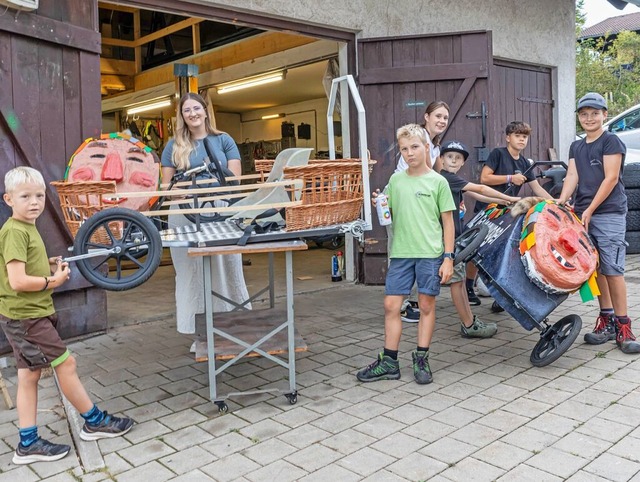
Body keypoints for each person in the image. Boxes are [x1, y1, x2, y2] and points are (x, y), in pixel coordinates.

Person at [0, 167, 134, 465]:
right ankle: (94, 421)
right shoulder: (14, 231)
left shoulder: (25, 227)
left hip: (26, 315)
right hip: (27, 318)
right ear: (9, 199)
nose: (34, 202)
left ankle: (28, 442)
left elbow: (22, 268)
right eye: (25, 196)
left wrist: (45, 264)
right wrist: (53, 282)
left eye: (39, 195)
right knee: (67, 363)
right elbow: (18, 282)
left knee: (28, 376)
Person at [357, 124, 455, 385]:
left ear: (426, 147)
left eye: (414, 147)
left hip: (430, 254)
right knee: (391, 305)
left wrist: (448, 257)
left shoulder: (438, 182)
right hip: (401, 253)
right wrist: (380, 201)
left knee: (426, 305)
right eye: (404, 149)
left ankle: (421, 357)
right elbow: (388, 210)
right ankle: (389, 361)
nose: (410, 153)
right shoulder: (395, 181)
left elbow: (448, 223)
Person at [161, 92, 251, 338]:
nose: (192, 114)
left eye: (196, 108)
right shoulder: (174, 145)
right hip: (185, 213)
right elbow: (166, 188)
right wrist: (189, 192)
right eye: (186, 110)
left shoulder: (224, 140)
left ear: (205, 110)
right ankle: (201, 333)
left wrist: (207, 188)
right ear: (182, 116)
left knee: (226, 266)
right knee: (191, 272)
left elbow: (234, 180)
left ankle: (233, 326)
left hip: (220, 210)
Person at [558, 92, 639, 354]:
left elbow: (611, 178)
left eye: (595, 113)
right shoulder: (576, 146)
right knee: (596, 268)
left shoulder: (611, 141)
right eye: (584, 114)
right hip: (584, 214)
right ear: (579, 117)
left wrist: (591, 209)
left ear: (605, 115)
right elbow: (572, 175)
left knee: (613, 269)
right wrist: (561, 201)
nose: (589, 118)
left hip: (609, 213)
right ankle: (606, 320)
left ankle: (624, 327)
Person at [438, 140, 521, 337]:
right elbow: (481, 189)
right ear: (441, 159)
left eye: (458, 158)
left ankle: (470, 320)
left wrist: (502, 201)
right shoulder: (446, 178)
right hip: (447, 239)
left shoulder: (452, 180)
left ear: (462, 163)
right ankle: (468, 325)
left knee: (457, 282)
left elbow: (479, 195)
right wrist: (512, 199)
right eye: (449, 156)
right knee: (457, 283)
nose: (453, 160)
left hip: (454, 236)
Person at [465, 121, 551, 309]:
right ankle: (468, 286)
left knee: (504, 252)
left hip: (507, 213)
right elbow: (484, 178)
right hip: (487, 209)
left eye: (524, 136)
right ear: (508, 138)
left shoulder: (525, 163)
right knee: (475, 250)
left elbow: (536, 188)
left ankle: (501, 295)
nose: (521, 139)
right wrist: (510, 178)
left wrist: (556, 202)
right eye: (517, 135)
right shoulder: (498, 154)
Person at [392, 101, 451, 323]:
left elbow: (439, 176)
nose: (442, 121)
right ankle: (402, 304)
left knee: (419, 251)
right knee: (402, 251)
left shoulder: (434, 145)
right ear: (426, 117)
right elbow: (432, 174)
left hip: (418, 199)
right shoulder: (421, 140)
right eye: (437, 116)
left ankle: (411, 301)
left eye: (445, 117)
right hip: (404, 199)